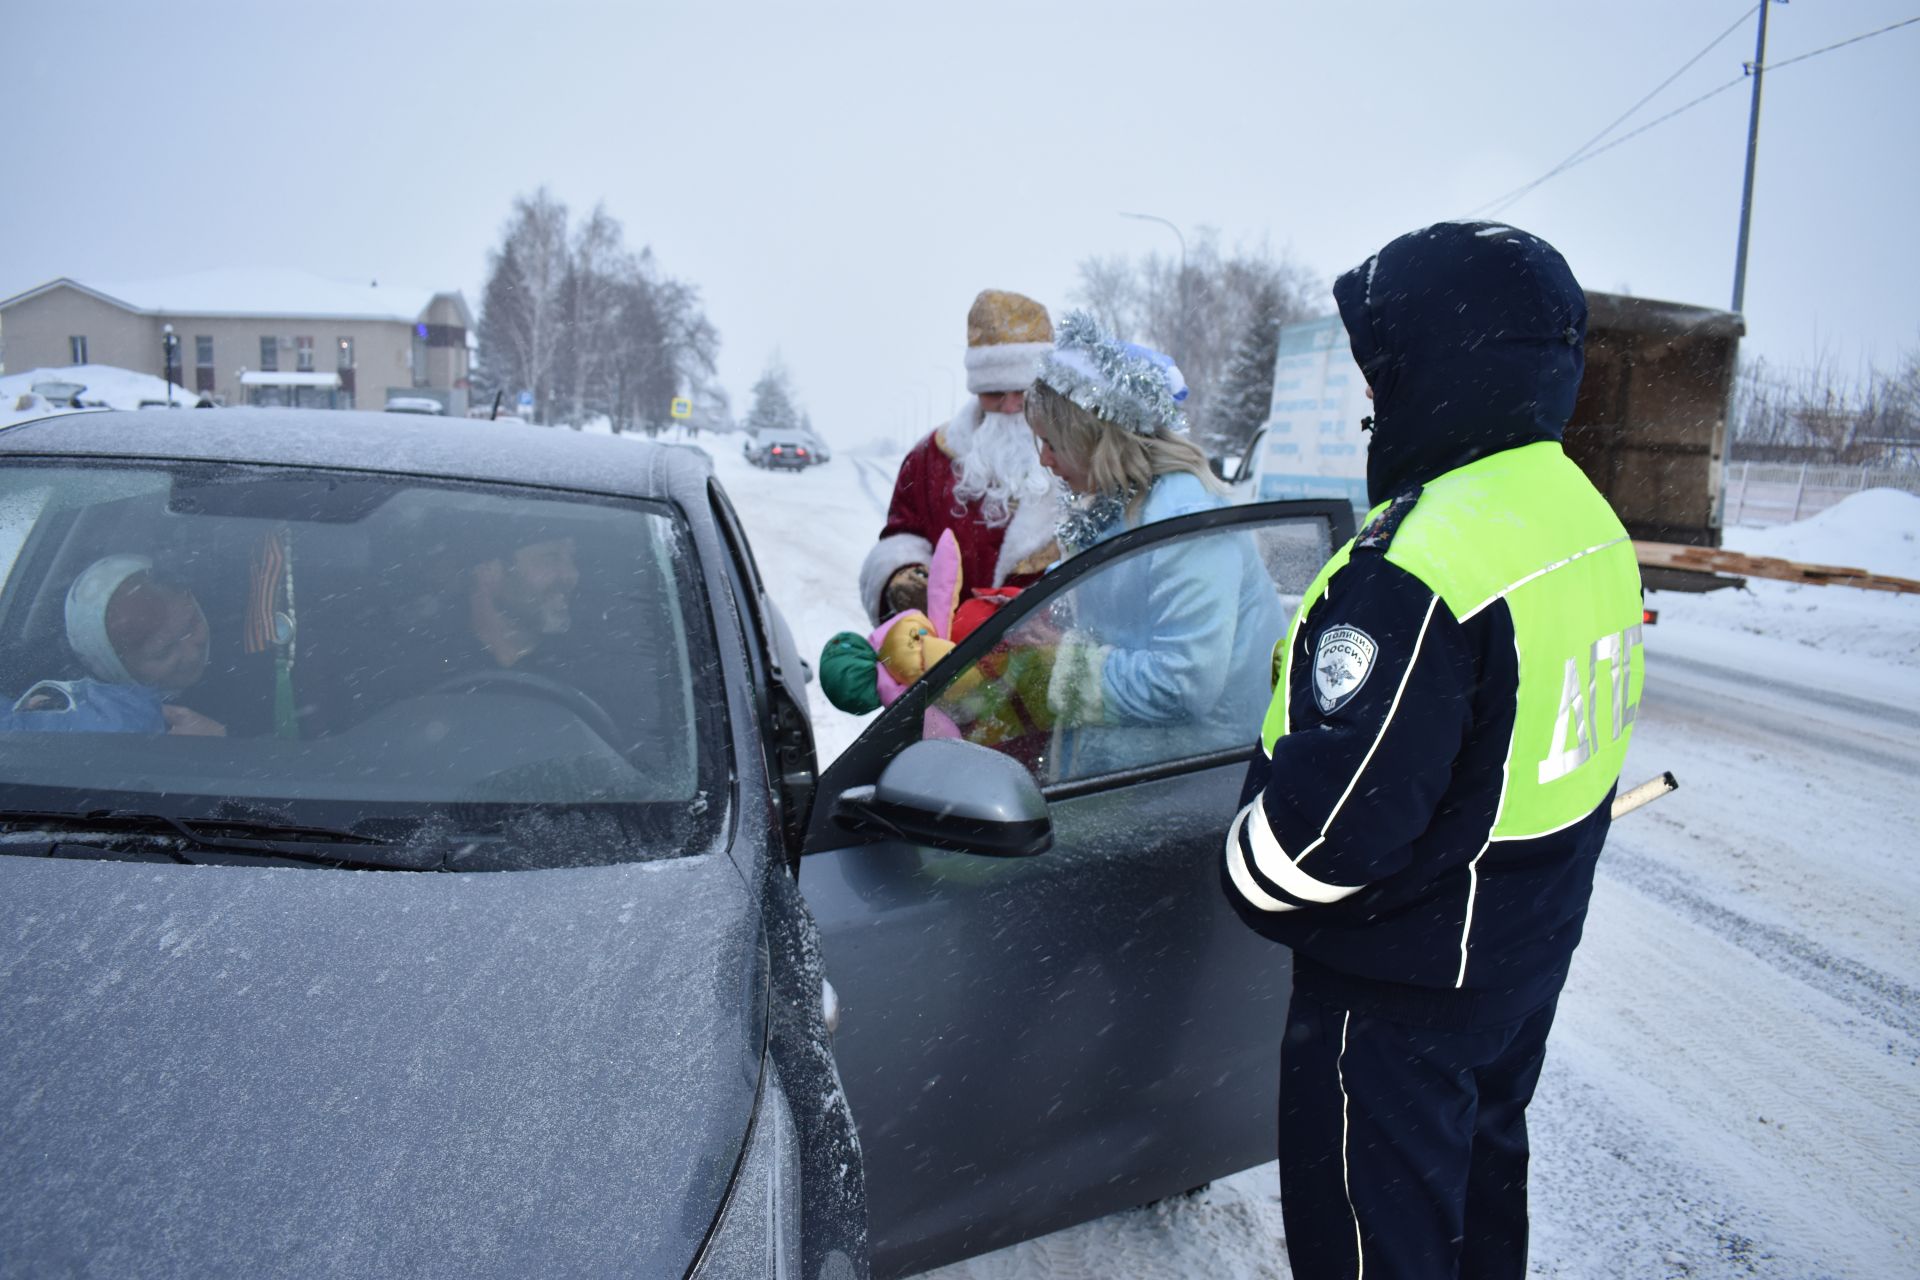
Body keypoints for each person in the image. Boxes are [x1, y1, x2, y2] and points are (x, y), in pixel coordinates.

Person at [1222, 221, 1647, 1279]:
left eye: (1386, 370)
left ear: (1443, 370)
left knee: (1375, 1240)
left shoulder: (1424, 562)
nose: (1376, 398)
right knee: (1477, 1202)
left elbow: (1321, 843)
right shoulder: (1583, 518)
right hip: (1518, 952)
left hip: (1401, 992)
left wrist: (1245, 852)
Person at [1002, 310, 1285, 778]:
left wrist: (1061, 665)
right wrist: (1037, 611)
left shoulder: (1182, 524)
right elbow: (1119, 609)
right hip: (1148, 773)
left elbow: (1184, 684)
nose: (1046, 460)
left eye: (1052, 443)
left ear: (1092, 437)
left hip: (1198, 783)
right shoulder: (1124, 506)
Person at [859, 289, 1064, 625]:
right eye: (995, 393)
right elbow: (902, 535)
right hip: (952, 654)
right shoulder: (930, 458)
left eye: (1024, 392)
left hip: (1050, 660)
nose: (1011, 406)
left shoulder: (1078, 457)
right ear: (977, 390)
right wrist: (904, 576)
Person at [2, 554, 225, 735]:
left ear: (192, 599)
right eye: (163, 652)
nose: (192, 651)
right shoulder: (116, 723)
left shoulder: (243, 646)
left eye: (191, 625)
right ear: (113, 667)